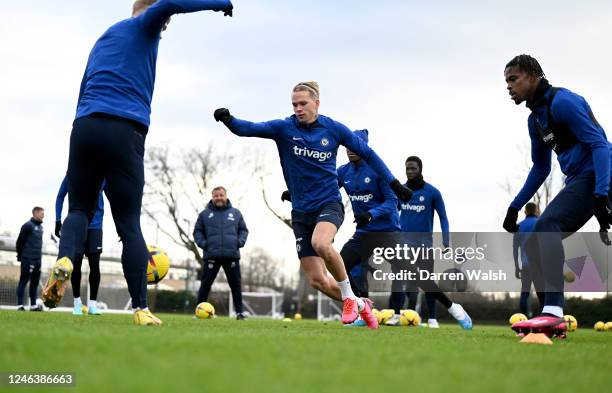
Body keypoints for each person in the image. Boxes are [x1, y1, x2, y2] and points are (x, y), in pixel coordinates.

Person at [42, 0, 234, 326]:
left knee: (79, 210)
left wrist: (81, 124)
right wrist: (219, 3)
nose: (164, 28)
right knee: (129, 224)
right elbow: (171, 3)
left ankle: (64, 260)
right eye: (165, 23)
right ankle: (141, 310)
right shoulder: (144, 24)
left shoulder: (104, 38)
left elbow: (82, 87)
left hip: (85, 126)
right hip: (124, 129)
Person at [214, 81, 413, 329]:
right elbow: (250, 128)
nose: (298, 108)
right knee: (318, 281)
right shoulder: (284, 128)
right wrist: (229, 119)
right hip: (301, 212)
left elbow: (369, 154)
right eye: (294, 104)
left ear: (316, 103)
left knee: (321, 243)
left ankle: (350, 300)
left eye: (303, 104)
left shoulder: (333, 129)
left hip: (328, 204)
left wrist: (394, 184)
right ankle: (360, 304)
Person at [502, 54, 612, 335]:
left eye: (513, 79)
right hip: (580, 179)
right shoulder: (535, 121)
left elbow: (600, 145)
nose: (509, 86)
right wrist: (515, 206)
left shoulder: (563, 102)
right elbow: (540, 168)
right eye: (506, 82)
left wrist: (601, 194)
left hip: (598, 174)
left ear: (533, 75)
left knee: (547, 226)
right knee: (533, 244)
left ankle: (553, 311)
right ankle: (549, 318)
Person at [394, 156, 471, 329]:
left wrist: (446, 239)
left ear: (420, 169)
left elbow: (443, 217)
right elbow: (392, 211)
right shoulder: (400, 191)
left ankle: (432, 319)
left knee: (428, 282)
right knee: (407, 282)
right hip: (404, 245)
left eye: (413, 168)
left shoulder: (432, 192)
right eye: (407, 168)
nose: (410, 171)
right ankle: (409, 316)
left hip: (424, 246)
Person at [336, 129, 401, 326]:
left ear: (364, 147)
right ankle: (364, 308)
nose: (350, 150)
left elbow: (392, 201)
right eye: (347, 147)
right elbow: (325, 188)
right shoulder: (343, 172)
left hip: (388, 232)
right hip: (364, 233)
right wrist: (296, 194)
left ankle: (453, 309)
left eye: (355, 146)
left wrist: (372, 214)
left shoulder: (378, 170)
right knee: (340, 265)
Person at [193, 186, 249, 320]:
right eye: (216, 195)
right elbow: (197, 232)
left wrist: (239, 242)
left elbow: (243, 230)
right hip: (211, 256)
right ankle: (198, 312)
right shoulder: (204, 214)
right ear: (212, 197)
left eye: (221, 195)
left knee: (236, 286)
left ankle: (239, 313)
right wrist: (204, 244)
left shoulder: (236, 213)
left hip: (232, 256)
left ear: (226, 196)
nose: (219, 198)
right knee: (205, 285)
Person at [56, 176, 107, 316]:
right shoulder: (72, 173)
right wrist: (58, 219)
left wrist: (122, 227)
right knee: (76, 264)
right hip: (77, 224)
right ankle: (77, 304)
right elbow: (60, 196)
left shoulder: (102, 177)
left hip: (96, 226)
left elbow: (114, 200)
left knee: (95, 264)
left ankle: (92, 305)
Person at [512, 202, 543, 317]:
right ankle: (544, 320)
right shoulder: (540, 224)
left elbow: (515, 250)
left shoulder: (519, 227)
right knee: (542, 294)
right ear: (536, 211)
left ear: (525, 212)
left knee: (524, 293)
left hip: (525, 266)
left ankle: (523, 319)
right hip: (540, 265)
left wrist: (516, 267)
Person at [15, 207, 45, 311]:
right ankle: (20, 305)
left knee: (35, 283)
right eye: (41, 213)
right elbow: (19, 242)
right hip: (27, 259)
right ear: (35, 213)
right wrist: (20, 256)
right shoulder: (27, 226)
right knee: (23, 281)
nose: (43, 215)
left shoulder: (41, 228)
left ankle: (33, 305)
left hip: (38, 260)